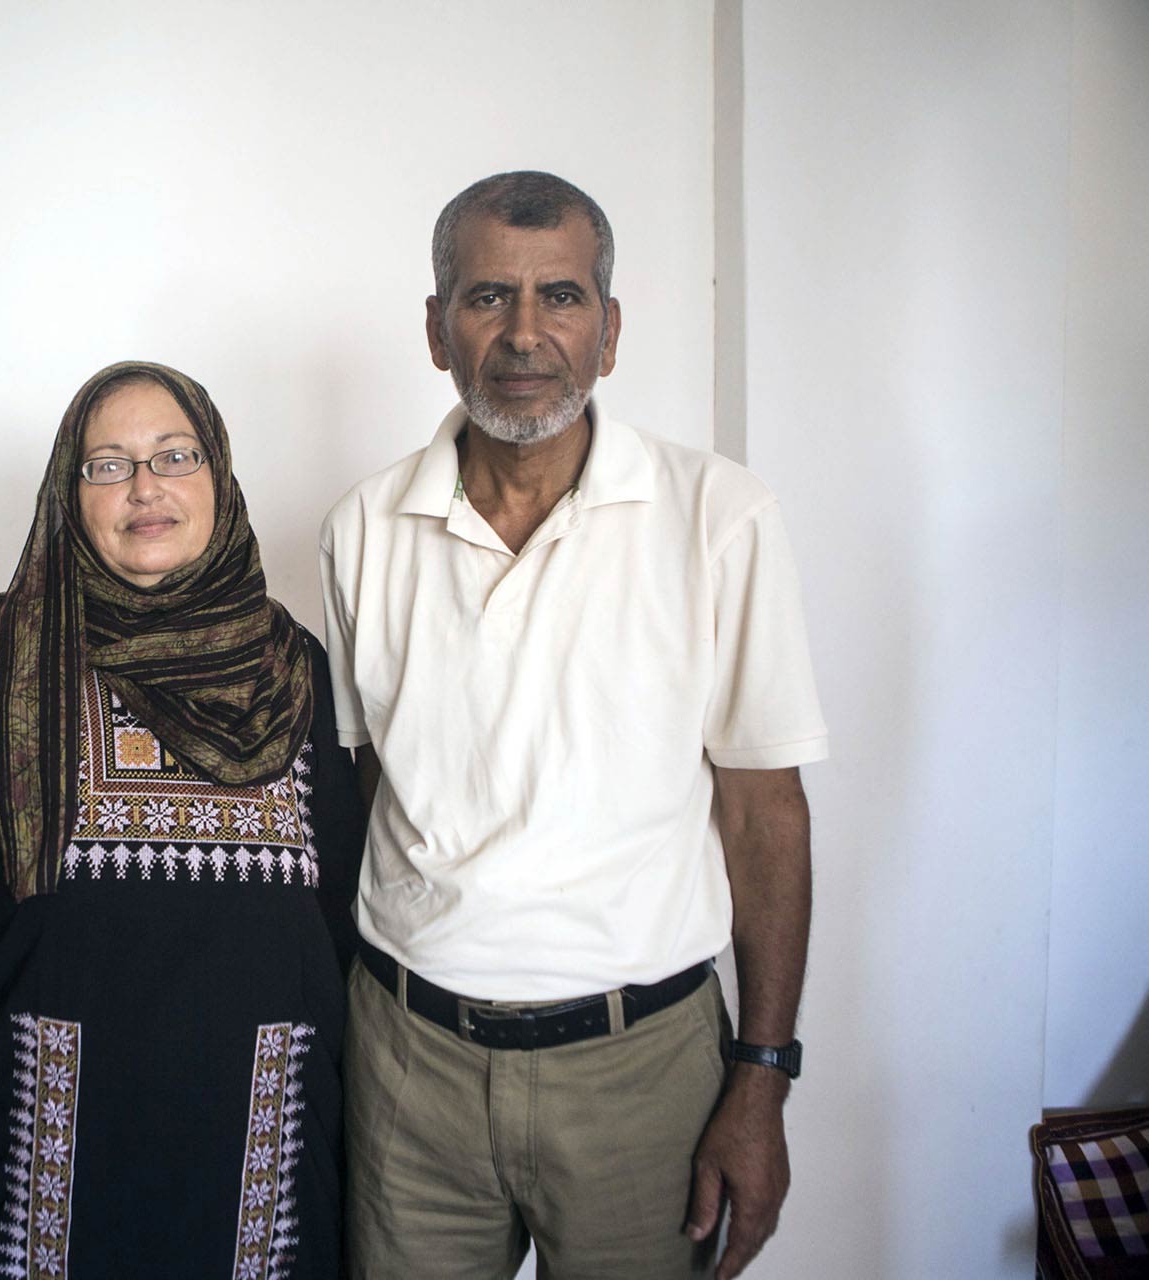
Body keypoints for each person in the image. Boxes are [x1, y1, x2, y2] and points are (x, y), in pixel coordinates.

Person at [319, 171, 827, 1280]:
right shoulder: (361, 527)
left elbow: (763, 814)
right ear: (435, 325)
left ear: (609, 330)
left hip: (643, 1070)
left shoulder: (719, 516)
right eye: (487, 295)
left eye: (561, 295)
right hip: (410, 1062)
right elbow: (371, 787)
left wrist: (763, 1074)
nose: (524, 332)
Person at [0, 361, 364, 1280]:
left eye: (176, 455)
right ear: (67, 490)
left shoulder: (299, 676)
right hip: (31, 1174)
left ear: (220, 477)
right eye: (108, 465)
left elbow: (353, 938)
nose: (145, 488)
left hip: (270, 1171)